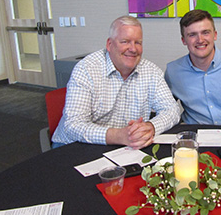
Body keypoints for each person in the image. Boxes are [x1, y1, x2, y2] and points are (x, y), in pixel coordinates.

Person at [52, 16, 180, 149]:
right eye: (125, 41)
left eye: (138, 42)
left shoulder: (152, 71)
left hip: (125, 147)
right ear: (109, 44)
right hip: (75, 145)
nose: (133, 49)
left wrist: (151, 127)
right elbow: (73, 125)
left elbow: (172, 110)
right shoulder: (86, 69)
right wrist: (118, 136)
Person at [165, 9, 221, 127]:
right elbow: (165, 109)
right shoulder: (173, 71)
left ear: (215, 35)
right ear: (184, 40)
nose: (200, 40)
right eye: (192, 35)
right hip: (196, 132)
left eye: (205, 32)